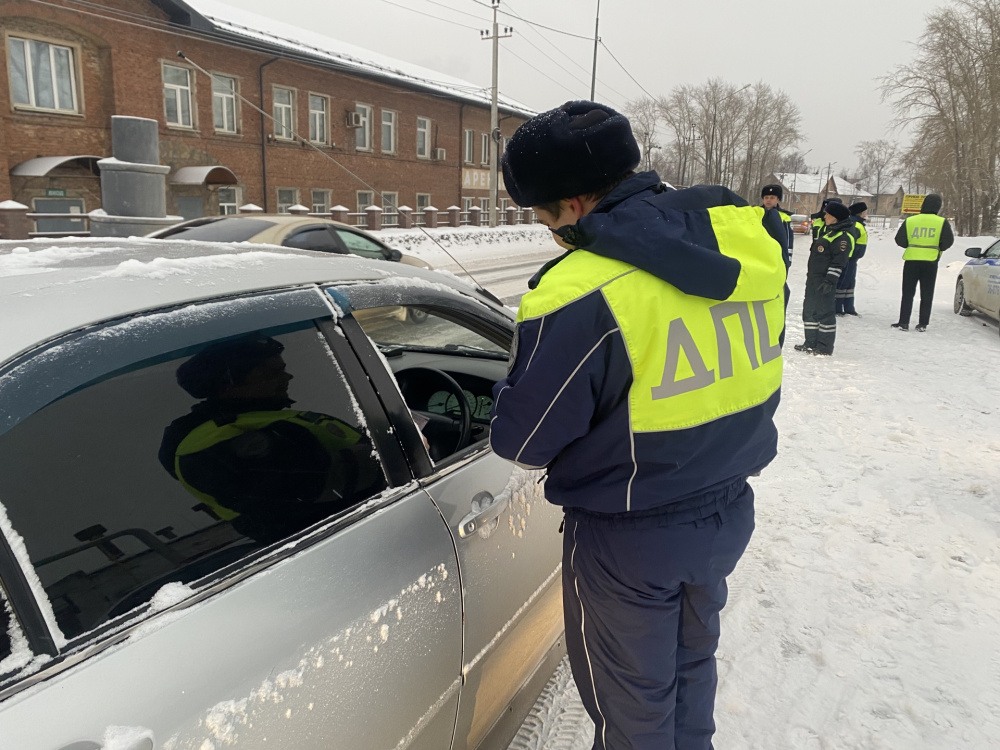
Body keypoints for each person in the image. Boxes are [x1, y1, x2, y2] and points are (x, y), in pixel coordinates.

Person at [490, 100, 786, 750]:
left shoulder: (581, 290)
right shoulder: (746, 242)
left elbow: (525, 439)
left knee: (631, 715)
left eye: (541, 215)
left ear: (570, 206)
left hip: (630, 537)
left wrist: (507, 386)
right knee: (687, 678)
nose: (546, 231)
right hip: (725, 510)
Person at [158, 336, 383, 543]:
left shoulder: (257, 417)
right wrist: (393, 449)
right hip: (334, 541)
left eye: (282, 370)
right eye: (270, 374)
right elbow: (318, 482)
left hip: (359, 527)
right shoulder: (213, 444)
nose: (287, 377)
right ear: (229, 385)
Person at [795, 200, 853, 355]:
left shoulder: (842, 237)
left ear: (836, 217)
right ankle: (810, 342)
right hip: (813, 279)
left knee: (824, 313)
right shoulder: (829, 232)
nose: (825, 215)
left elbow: (839, 261)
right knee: (810, 310)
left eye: (828, 213)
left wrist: (830, 280)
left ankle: (824, 347)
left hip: (825, 280)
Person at [892, 193, 954, 331]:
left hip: (911, 260)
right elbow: (948, 241)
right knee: (927, 294)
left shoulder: (911, 221)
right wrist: (937, 248)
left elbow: (899, 240)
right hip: (931, 261)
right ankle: (922, 324)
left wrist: (912, 245)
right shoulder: (941, 222)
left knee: (907, 293)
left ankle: (903, 322)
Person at [836, 201, 869, 316]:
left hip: (853, 259)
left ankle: (849, 307)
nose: (866, 213)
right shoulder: (854, 224)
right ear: (860, 212)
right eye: (865, 211)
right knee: (843, 283)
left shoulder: (857, 223)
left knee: (850, 284)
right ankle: (838, 308)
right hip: (849, 258)